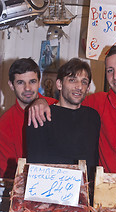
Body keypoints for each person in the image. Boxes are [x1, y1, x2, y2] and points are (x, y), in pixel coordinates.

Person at [28, 46, 116, 176]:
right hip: (102, 190)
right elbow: (66, 105)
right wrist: (40, 101)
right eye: (110, 70)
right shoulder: (97, 103)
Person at [26, 58, 101, 200]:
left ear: (88, 87)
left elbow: (93, 165)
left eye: (84, 82)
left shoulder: (93, 118)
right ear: (59, 84)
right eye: (72, 80)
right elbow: (34, 167)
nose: (79, 86)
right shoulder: (41, 114)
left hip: (85, 202)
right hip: (48, 200)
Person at [0, 58, 56, 179]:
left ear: (39, 82)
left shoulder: (56, 107)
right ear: (11, 85)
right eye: (20, 82)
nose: (27, 88)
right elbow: (7, 175)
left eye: (32, 81)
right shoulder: (4, 124)